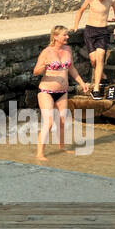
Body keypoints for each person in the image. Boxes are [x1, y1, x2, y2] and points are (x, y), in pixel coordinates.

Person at [32, 25, 87, 160]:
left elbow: (72, 68)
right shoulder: (47, 51)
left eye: (67, 35)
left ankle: (61, 147)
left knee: (62, 122)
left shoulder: (68, 49)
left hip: (62, 92)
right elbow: (35, 72)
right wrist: (44, 65)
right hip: (46, 91)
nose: (67, 37)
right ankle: (40, 153)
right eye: (65, 35)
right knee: (49, 122)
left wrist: (81, 82)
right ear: (55, 37)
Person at [71, 0, 115, 98]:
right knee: (93, 60)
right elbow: (80, 11)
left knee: (100, 57)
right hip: (90, 31)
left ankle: (96, 88)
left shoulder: (111, 0)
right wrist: (76, 25)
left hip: (103, 31)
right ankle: (102, 76)